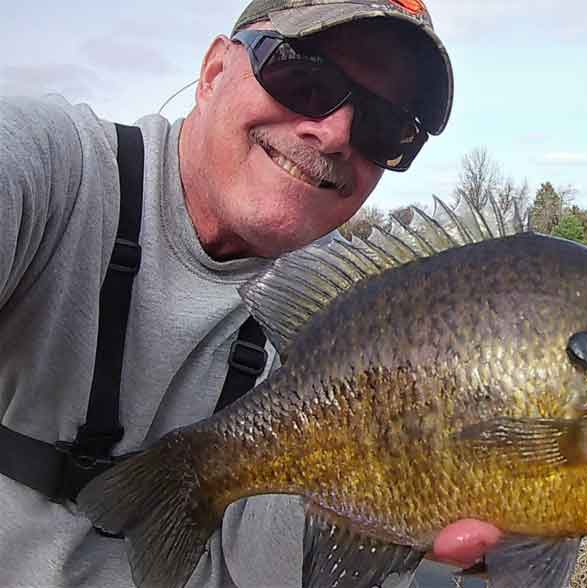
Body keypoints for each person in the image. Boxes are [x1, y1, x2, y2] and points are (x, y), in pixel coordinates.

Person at [0, 0, 501, 586]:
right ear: (213, 73)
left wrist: (390, 523)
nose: (336, 132)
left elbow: (268, 565)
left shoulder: (352, 324)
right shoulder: (58, 173)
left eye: (384, 125)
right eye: (304, 78)